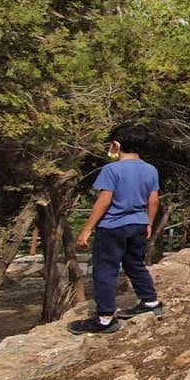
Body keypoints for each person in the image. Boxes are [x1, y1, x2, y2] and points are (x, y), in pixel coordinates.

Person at [68, 125, 164, 335]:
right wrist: (148, 223)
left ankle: (104, 319)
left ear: (116, 145)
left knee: (105, 270)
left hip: (112, 227)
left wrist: (87, 229)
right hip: (138, 224)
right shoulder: (150, 169)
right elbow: (153, 200)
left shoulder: (112, 170)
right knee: (135, 264)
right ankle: (150, 302)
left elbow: (104, 201)